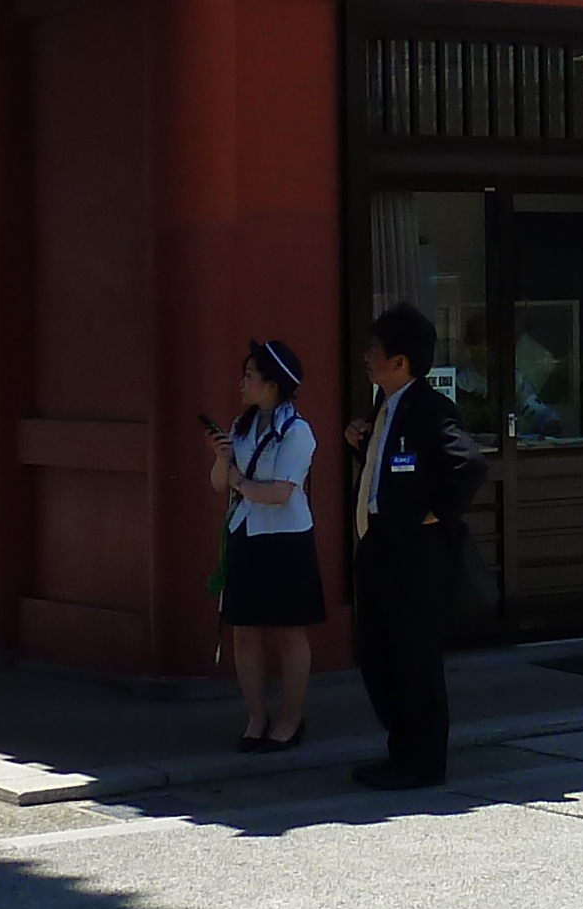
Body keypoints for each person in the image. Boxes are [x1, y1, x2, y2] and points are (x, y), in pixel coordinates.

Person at [346, 302, 485, 790]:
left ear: (401, 361)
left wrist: (436, 512)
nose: (367, 357)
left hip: (414, 554)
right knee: (377, 653)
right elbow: (398, 464)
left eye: (375, 350)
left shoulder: (427, 406)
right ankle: (399, 750)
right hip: (379, 546)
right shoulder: (386, 404)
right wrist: (360, 442)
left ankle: (423, 761)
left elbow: (466, 464)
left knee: (413, 659)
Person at [207, 339, 325, 752]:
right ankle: (255, 717)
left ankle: (290, 721)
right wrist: (222, 461)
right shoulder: (242, 426)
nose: (242, 384)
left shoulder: (298, 433)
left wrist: (239, 481)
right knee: (245, 631)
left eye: (250, 377)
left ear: (272, 387)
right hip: (246, 533)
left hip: (286, 540)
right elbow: (220, 484)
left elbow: (280, 493)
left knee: (290, 632)